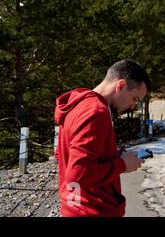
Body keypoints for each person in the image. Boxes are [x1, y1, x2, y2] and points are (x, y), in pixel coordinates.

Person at [54, 59, 150, 217]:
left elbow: (63, 154)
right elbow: (78, 174)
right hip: (91, 210)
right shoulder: (96, 112)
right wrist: (122, 165)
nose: (133, 106)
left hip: (74, 205)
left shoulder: (79, 104)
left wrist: (111, 154)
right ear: (121, 85)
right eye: (135, 99)